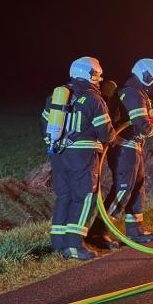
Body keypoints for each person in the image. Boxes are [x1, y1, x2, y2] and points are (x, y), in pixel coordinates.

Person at [86, 58, 153, 249]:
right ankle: (98, 232)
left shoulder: (137, 93)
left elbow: (144, 117)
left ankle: (134, 231)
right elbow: (143, 126)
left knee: (137, 188)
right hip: (123, 148)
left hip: (132, 147)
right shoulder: (133, 93)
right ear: (147, 77)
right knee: (123, 189)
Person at [40, 57, 116, 260]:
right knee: (84, 198)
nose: (99, 80)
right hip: (83, 157)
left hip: (59, 155)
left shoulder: (57, 96)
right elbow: (106, 134)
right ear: (90, 74)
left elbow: (44, 126)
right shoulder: (94, 99)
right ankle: (74, 246)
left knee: (64, 197)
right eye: (97, 76)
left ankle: (58, 245)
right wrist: (114, 136)